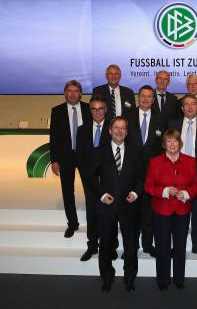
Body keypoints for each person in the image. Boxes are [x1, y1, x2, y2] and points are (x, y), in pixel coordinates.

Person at [89, 117, 143, 292]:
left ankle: (129, 278)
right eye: (116, 128)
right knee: (105, 244)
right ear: (110, 131)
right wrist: (102, 194)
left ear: (127, 132)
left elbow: (142, 177)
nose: (120, 131)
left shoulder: (136, 151)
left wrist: (135, 193)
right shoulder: (99, 151)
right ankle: (106, 277)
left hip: (129, 205)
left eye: (123, 128)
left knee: (131, 245)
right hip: (107, 206)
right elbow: (90, 177)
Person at [145, 129, 197, 291]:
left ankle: (179, 280)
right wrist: (163, 192)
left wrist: (187, 193)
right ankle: (162, 281)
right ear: (164, 144)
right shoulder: (154, 162)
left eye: (175, 141)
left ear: (180, 143)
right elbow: (148, 186)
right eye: (169, 141)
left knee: (179, 246)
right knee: (162, 247)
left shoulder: (191, 161)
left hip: (182, 210)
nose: (172, 144)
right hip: (161, 210)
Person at [167, 95, 197, 259]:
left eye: (193, 104)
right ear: (181, 108)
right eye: (186, 105)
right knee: (176, 210)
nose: (189, 107)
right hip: (176, 171)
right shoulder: (172, 124)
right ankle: (175, 245)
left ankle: (196, 245)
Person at [126, 85, 165, 257]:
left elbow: (163, 147)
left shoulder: (160, 119)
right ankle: (132, 246)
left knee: (149, 213)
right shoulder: (127, 117)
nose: (146, 99)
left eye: (150, 96)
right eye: (143, 96)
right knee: (131, 214)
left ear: (153, 99)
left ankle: (148, 245)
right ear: (138, 97)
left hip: (152, 175)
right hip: (131, 174)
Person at [49, 80, 91, 238]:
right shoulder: (57, 111)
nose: (72, 94)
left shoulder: (89, 109)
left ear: (81, 93)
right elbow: (53, 137)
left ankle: (92, 223)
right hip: (65, 157)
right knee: (67, 191)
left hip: (85, 157)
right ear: (65, 92)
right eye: (69, 90)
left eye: (76, 91)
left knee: (90, 190)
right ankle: (72, 224)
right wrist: (54, 160)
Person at [76, 95, 114, 261]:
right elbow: (80, 157)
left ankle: (111, 247)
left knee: (109, 214)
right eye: (94, 109)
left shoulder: (113, 129)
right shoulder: (82, 130)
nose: (97, 112)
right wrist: (88, 177)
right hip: (89, 180)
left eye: (100, 108)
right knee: (91, 212)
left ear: (105, 110)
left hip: (109, 180)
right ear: (90, 110)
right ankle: (92, 246)